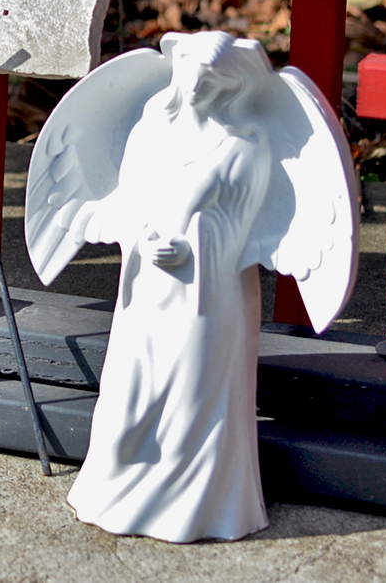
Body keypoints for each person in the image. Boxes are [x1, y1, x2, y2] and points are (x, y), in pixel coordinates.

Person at [66, 32, 273, 542]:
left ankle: (197, 507)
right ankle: (113, 487)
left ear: (229, 83)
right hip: (148, 291)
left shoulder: (244, 145)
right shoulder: (150, 131)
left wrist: (194, 246)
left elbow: (246, 229)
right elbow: (127, 201)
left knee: (191, 407)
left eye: (209, 81)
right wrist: (144, 237)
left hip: (208, 297)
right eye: (191, 77)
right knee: (126, 406)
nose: (197, 89)